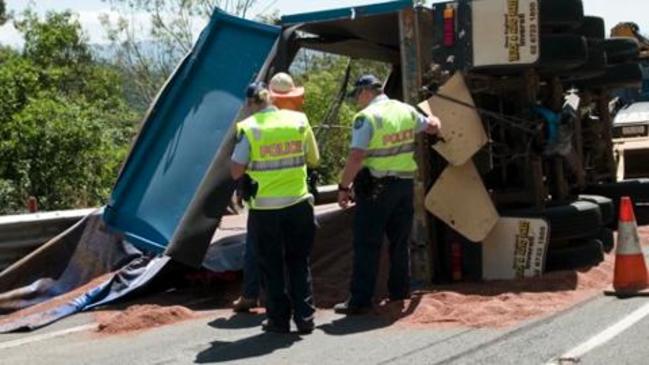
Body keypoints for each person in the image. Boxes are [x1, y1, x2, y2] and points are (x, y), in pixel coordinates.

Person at [334, 74, 441, 315]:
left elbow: (356, 156)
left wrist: (343, 187)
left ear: (365, 92)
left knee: (367, 243)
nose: (357, 102)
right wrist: (434, 118)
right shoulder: (405, 110)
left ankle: (360, 300)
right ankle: (399, 291)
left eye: (357, 96)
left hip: (376, 188)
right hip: (403, 186)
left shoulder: (366, 117)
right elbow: (433, 127)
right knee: (399, 242)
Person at [230, 81, 320, 334]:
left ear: (250, 103)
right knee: (298, 262)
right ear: (270, 99)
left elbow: (236, 169)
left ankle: (279, 320)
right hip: (298, 203)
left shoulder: (249, 128)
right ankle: (305, 319)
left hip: (265, 210)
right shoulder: (298, 121)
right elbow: (314, 158)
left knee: (271, 265)